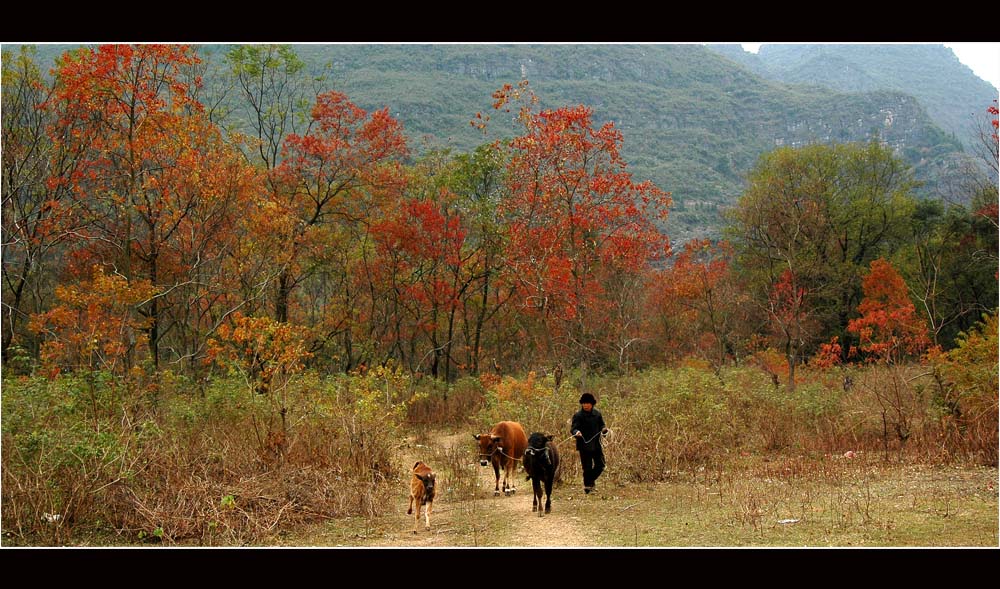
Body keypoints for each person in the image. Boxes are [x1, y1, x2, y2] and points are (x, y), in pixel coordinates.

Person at [571, 392, 609, 494]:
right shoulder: (578, 416)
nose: (585, 405)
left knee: (601, 465)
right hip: (584, 445)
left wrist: (604, 430)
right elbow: (573, 428)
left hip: (596, 445)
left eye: (587, 403)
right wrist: (576, 432)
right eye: (583, 403)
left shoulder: (597, 414)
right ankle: (588, 487)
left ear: (592, 404)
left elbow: (602, 425)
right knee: (586, 468)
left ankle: (589, 482)